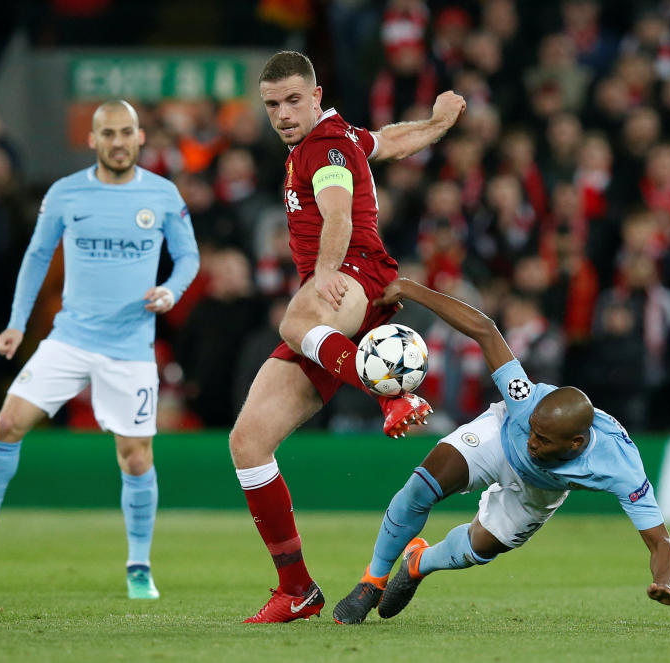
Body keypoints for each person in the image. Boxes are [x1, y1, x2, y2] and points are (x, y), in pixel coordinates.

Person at [232, 51, 465, 623]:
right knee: (249, 442)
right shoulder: (344, 136)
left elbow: (336, 212)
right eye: (272, 105)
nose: (283, 114)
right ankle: (297, 589)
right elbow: (387, 140)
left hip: (353, 278)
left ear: (315, 96)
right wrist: (436, 126)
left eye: (292, 100)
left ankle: (394, 395)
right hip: (343, 308)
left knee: (292, 319)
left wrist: (325, 276)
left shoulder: (324, 148)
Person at [0, 100, 200, 600]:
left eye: (126, 133)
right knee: (7, 424)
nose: (118, 142)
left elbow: (188, 255)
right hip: (70, 339)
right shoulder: (66, 193)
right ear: (93, 139)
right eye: (108, 134)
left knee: (135, 458)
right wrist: (16, 325)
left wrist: (171, 290)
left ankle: (139, 565)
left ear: (140, 137)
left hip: (130, 348)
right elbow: (36, 257)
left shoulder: (162, 195)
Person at [332, 277, 670, 624]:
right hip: (498, 438)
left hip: (541, 490)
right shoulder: (525, 401)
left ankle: (418, 564)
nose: (533, 443)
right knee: (421, 487)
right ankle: (372, 582)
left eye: (544, 441)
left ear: (576, 444)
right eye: (534, 432)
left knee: (481, 547)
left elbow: (661, 542)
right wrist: (412, 289)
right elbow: (484, 328)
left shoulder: (619, 465)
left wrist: (664, 582)